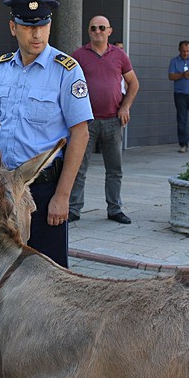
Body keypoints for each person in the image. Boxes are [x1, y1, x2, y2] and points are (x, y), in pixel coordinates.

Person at [0, 0, 92, 268]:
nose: (37, 33)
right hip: (4, 187)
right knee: (3, 267)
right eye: (29, 27)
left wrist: (63, 196)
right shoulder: (2, 68)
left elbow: (81, 134)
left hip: (43, 190)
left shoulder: (66, 70)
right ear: (13, 28)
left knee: (47, 273)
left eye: (43, 26)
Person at [68, 15, 139, 224]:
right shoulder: (78, 55)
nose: (97, 31)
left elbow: (133, 84)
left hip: (112, 121)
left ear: (109, 31)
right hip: (85, 123)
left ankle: (115, 209)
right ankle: (73, 209)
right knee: (78, 167)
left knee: (114, 169)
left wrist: (125, 106)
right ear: (88, 31)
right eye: (93, 28)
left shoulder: (119, 55)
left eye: (102, 28)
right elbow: (68, 85)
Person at [168, 40, 189, 153]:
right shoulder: (174, 61)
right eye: (183, 51)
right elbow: (171, 76)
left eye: (187, 51)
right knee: (181, 120)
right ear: (179, 50)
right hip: (180, 94)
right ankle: (183, 145)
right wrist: (183, 75)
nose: (185, 53)